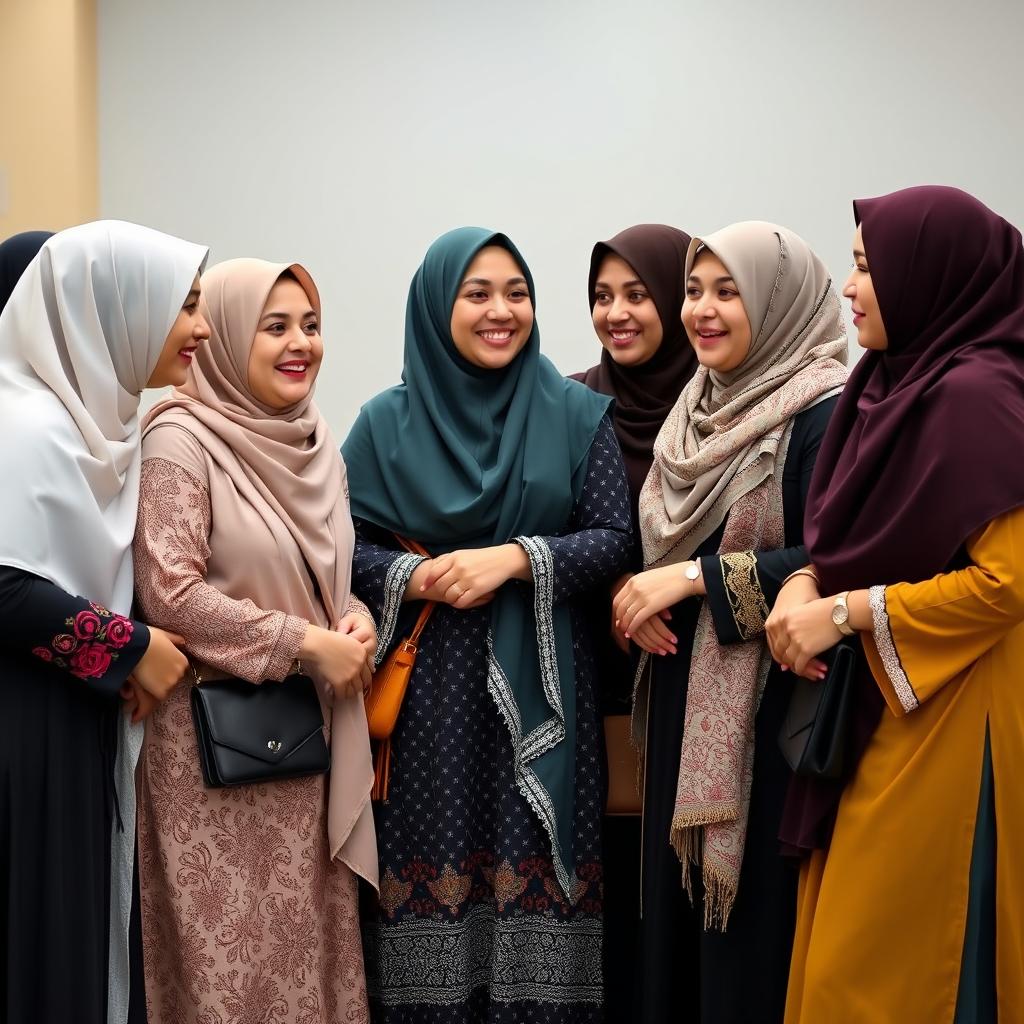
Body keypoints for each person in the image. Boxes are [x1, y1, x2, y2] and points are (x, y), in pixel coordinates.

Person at [342, 227, 633, 1023]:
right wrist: (414, 574)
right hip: (427, 697)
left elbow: (615, 538)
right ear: (438, 306)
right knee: (430, 882)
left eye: (517, 292)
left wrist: (510, 560)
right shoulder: (380, 425)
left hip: (544, 700)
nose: (502, 311)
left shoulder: (577, 415)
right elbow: (338, 549)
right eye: (478, 294)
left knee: (538, 885)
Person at [767, 185, 1024, 1024]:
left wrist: (844, 614)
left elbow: (1009, 581)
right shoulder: (889, 383)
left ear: (930, 275)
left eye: (868, 267)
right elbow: (853, 537)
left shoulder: (978, 397)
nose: (849, 287)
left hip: (953, 719)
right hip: (887, 704)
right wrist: (809, 582)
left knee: (897, 965)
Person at [613, 221, 848, 1023]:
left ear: (776, 302)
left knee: (748, 944)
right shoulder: (697, 409)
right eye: (694, 290)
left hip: (767, 710)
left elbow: (839, 558)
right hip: (686, 700)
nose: (702, 311)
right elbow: (654, 548)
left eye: (728, 292)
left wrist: (688, 580)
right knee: (675, 947)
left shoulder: (824, 412)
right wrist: (646, 600)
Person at [132, 258, 378, 1022]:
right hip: (210, 761)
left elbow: (318, 574)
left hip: (303, 750)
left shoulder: (313, 440)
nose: (299, 343)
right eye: (274, 327)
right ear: (229, 336)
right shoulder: (178, 442)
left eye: (310, 324)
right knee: (227, 977)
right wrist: (306, 641)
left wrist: (354, 615)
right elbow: (168, 590)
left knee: (310, 970)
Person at [0, 222, 208, 1024]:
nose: (201, 328)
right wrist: (127, 649)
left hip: (67, 716)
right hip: (23, 733)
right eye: (182, 306)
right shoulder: (27, 427)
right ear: (114, 308)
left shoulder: (94, 428)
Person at [570, 223, 694, 1018]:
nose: (617, 313)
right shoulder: (571, 404)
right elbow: (544, 522)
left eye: (637, 294)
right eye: (601, 297)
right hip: (592, 686)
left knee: (679, 910)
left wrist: (672, 587)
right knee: (604, 900)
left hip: (695, 682)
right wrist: (616, 587)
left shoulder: (716, 401)